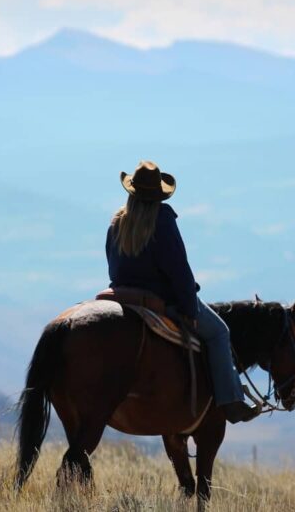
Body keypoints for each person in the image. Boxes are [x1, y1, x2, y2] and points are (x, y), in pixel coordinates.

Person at [106, 160, 259, 424]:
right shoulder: (161, 221)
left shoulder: (117, 223)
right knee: (220, 332)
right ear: (157, 196)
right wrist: (189, 308)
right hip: (160, 301)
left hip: (121, 296)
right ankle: (231, 401)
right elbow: (179, 271)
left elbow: (113, 268)